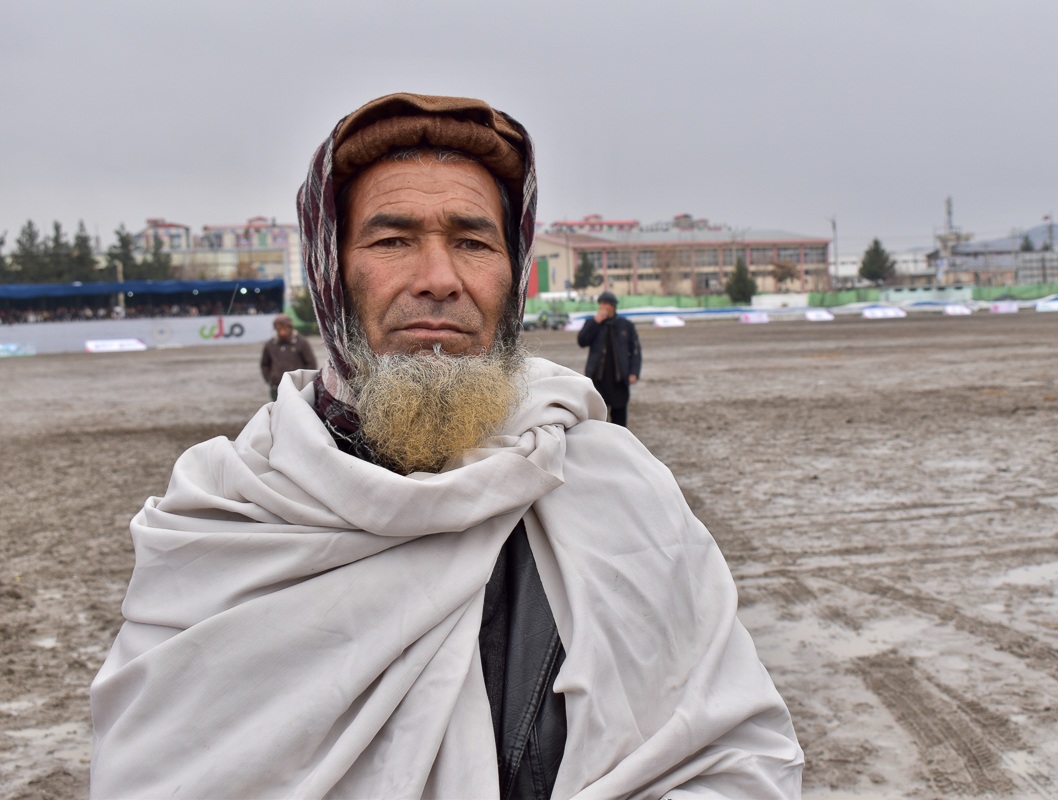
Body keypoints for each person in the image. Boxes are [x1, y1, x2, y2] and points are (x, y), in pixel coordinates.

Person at [90, 93, 803, 799]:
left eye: (471, 241)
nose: (439, 279)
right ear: (331, 272)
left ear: (512, 274)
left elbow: (731, 758)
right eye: (392, 240)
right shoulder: (227, 522)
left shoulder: (614, 489)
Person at [577, 290, 641, 427]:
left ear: (613, 306)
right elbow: (582, 341)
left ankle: (618, 446)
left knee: (619, 420)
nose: (601, 306)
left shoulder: (626, 326)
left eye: (605, 303)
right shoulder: (593, 323)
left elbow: (635, 351)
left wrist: (634, 372)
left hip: (619, 380)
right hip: (597, 380)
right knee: (598, 419)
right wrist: (594, 322)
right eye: (600, 303)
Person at [261, 313, 318, 400]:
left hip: (297, 389)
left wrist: (305, 382)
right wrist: (270, 379)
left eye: (285, 328)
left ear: (290, 327)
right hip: (276, 388)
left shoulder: (302, 342)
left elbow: (311, 363)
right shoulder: (270, 345)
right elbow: (265, 364)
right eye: (279, 328)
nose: (282, 331)